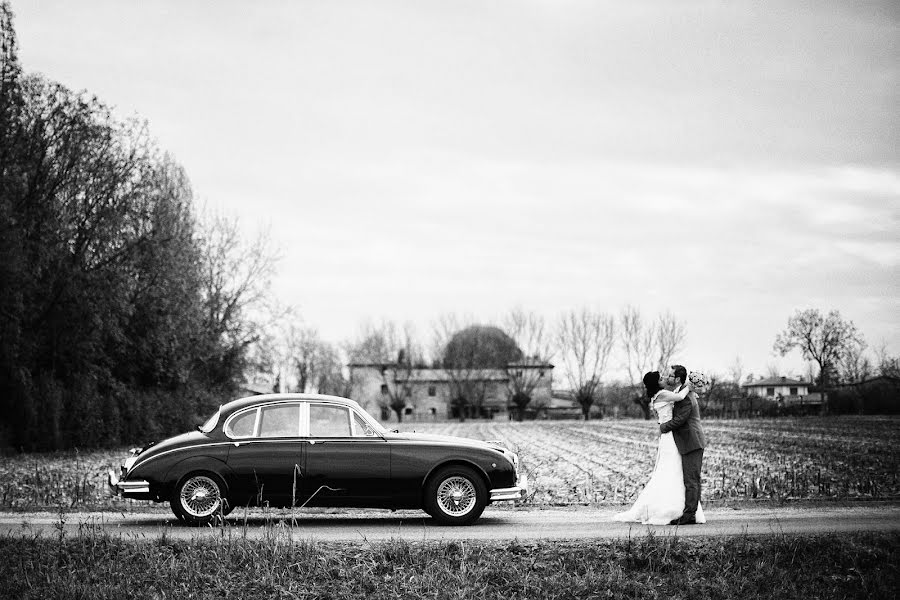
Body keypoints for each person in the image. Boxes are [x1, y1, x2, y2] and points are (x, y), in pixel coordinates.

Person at [612, 370, 706, 525]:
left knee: (674, 472)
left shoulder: (660, 395)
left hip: (672, 436)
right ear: (657, 382)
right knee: (672, 471)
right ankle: (676, 509)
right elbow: (680, 398)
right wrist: (690, 386)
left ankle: (683, 509)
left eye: (667, 376)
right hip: (670, 436)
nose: (664, 378)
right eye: (661, 377)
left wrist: (691, 390)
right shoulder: (663, 394)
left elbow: (681, 406)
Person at [661, 364, 708, 525]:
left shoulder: (686, 397)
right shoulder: (682, 393)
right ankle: (690, 512)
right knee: (690, 478)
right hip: (688, 441)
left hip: (692, 441)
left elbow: (680, 420)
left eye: (671, 375)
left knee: (691, 479)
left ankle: (689, 515)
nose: (668, 378)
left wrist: (663, 427)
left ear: (678, 378)